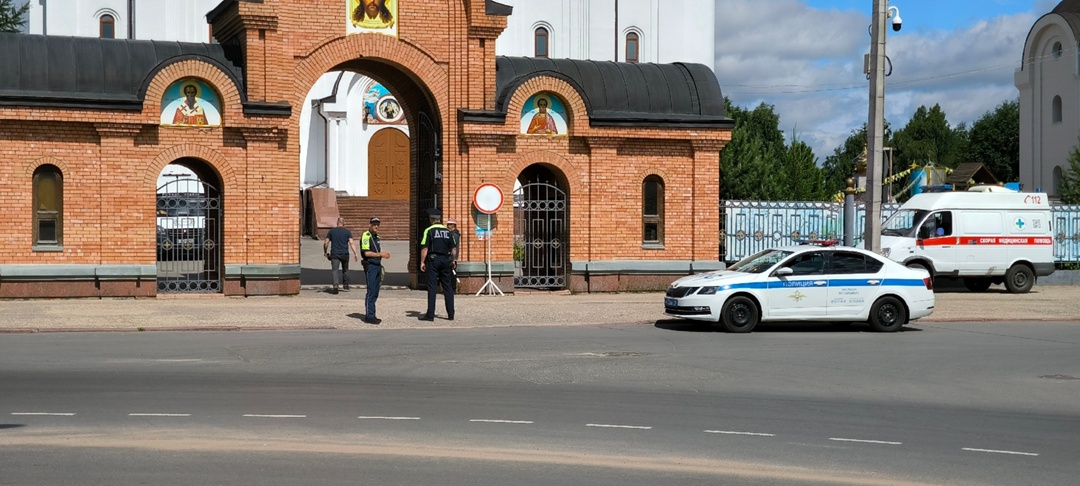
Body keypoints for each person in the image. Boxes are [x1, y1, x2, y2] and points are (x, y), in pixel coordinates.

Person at [418, 208, 457, 321]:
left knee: (432, 287)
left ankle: (430, 315)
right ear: (439, 219)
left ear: (431, 219)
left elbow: (425, 248)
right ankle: (451, 314)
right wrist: (453, 260)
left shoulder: (429, 231)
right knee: (447, 287)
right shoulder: (448, 231)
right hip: (446, 260)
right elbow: (453, 249)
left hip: (433, 260)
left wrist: (422, 262)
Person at [360, 217, 390, 323]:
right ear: (370, 225)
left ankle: (372, 313)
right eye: (374, 224)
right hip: (370, 265)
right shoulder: (366, 236)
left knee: (376, 291)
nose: (376, 226)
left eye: (377, 224)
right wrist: (380, 254)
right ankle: (369, 316)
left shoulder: (377, 237)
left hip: (377, 265)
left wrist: (381, 255)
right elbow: (366, 253)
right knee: (371, 291)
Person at [323, 217, 358, 294]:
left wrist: (325, 252)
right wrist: (355, 253)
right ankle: (346, 286)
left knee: (335, 270)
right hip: (345, 254)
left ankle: (335, 286)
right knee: (345, 270)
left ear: (337, 222)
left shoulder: (331, 231)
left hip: (335, 254)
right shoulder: (347, 232)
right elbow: (351, 243)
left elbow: (326, 243)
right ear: (343, 223)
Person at [447, 217, 461, 285]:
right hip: (451, 256)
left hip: (453, 256)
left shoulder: (455, 234)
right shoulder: (452, 233)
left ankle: (453, 288)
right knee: (450, 272)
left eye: (449, 224)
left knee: (452, 273)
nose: (448, 225)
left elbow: (453, 246)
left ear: (453, 225)